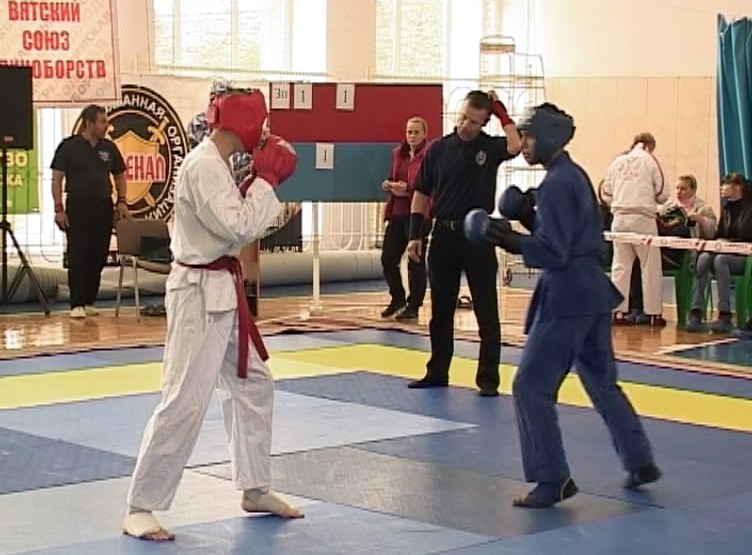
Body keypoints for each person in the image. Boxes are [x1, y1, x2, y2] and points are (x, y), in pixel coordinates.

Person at [122, 87, 303, 542]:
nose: (265, 132)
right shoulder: (203, 165)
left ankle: (254, 487)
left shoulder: (217, 165)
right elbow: (238, 226)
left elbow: (232, 221)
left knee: (254, 382)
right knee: (184, 398)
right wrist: (266, 181)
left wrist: (256, 183)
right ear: (246, 121)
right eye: (261, 121)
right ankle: (139, 505)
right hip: (198, 296)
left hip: (222, 290)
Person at [466, 103, 660, 507]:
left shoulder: (557, 184)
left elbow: (554, 251)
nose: (524, 144)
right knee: (601, 381)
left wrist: (507, 238)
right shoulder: (574, 176)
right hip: (593, 293)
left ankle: (552, 478)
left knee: (530, 386)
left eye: (529, 136)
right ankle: (639, 459)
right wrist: (528, 217)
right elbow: (572, 235)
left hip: (567, 296)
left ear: (548, 137)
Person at [405, 90, 521, 396]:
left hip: (478, 236)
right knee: (441, 310)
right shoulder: (438, 149)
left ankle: (488, 379)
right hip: (443, 234)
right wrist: (415, 235)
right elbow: (421, 193)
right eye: (464, 118)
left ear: (484, 123)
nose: (466, 125)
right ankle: (437, 371)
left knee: (486, 309)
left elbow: (515, 145)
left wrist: (500, 111)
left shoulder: (489, 148)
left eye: (474, 122)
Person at [51, 104, 131, 318]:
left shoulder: (109, 148)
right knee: (78, 254)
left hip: (102, 206)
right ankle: (77, 303)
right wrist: (58, 208)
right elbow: (57, 178)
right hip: (77, 207)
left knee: (99, 252)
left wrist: (121, 201)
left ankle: (89, 301)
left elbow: (120, 176)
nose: (107, 126)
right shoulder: (69, 147)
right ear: (89, 123)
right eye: (102, 122)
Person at [601, 132, 668, 327]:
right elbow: (663, 193)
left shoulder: (618, 161)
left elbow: (604, 191)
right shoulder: (650, 160)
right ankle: (653, 314)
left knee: (620, 266)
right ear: (649, 145)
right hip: (642, 218)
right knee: (650, 266)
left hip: (619, 218)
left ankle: (617, 313)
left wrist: (620, 200)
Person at [629, 175, 718, 321]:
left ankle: (649, 311)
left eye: (683, 188)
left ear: (693, 190)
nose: (679, 192)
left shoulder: (704, 209)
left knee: (650, 262)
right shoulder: (666, 208)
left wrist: (701, 220)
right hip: (663, 250)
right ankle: (637, 307)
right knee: (638, 261)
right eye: (677, 188)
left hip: (685, 255)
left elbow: (712, 234)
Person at [686, 173, 752, 333]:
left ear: (738, 187)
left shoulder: (750, 208)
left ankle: (725, 314)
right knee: (703, 258)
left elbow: (746, 236)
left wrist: (727, 243)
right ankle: (696, 312)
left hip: (743, 257)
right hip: (724, 251)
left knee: (720, 260)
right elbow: (719, 234)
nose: (721, 188)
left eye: (725, 184)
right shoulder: (727, 209)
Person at [380, 116, 431, 320]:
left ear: (424, 134)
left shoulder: (429, 156)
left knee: (415, 261)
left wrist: (408, 188)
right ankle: (397, 298)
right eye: (409, 132)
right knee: (388, 258)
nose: (412, 136)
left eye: (416, 132)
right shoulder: (398, 154)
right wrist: (390, 185)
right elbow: (394, 177)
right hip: (398, 212)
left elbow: (429, 185)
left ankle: (414, 305)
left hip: (418, 215)